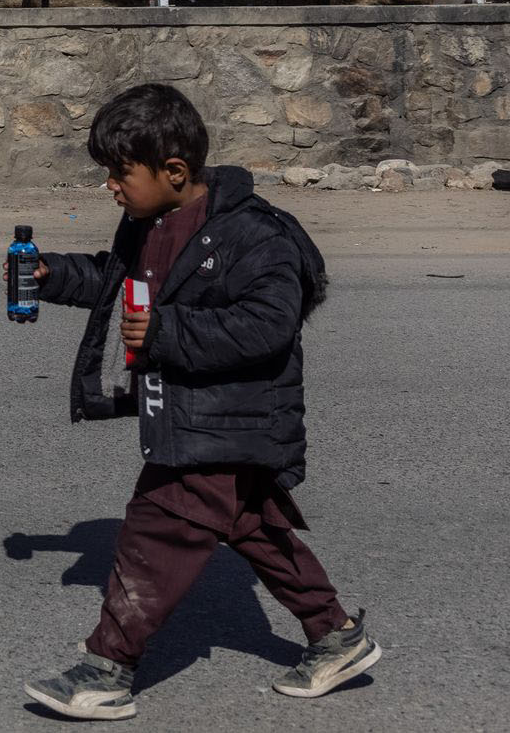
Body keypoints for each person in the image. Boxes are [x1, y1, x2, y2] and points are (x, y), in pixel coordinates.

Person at [20, 83, 379, 721]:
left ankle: (108, 666)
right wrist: (52, 274)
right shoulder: (149, 222)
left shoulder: (255, 234)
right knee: (251, 526)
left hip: (232, 416)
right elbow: (115, 282)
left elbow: (269, 324)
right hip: (184, 411)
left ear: (175, 171)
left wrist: (165, 332)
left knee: (156, 527)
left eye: (118, 173)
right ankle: (336, 635)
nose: (110, 186)